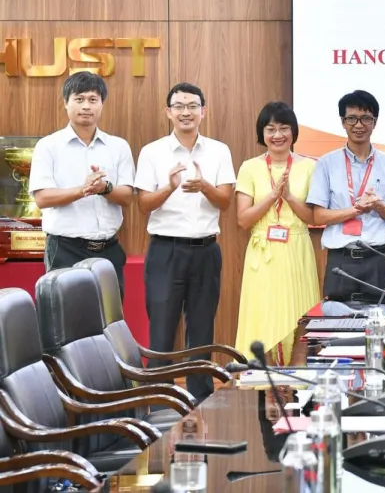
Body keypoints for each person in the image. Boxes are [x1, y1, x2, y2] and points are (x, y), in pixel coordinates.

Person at [133, 82, 235, 400]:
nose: (186, 112)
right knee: (161, 331)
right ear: (168, 112)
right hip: (165, 251)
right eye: (179, 106)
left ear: (204, 111)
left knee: (202, 331)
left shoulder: (219, 150)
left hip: (206, 250)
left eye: (193, 106)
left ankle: (201, 400)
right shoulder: (152, 152)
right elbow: (144, 205)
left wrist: (204, 185)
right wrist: (169, 187)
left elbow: (225, 202)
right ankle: (156, 400)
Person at [29, 72, 134, 294]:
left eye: (93, 100)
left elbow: (126, 196)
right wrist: (83, 190)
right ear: (66, 102)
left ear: (102, 104)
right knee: (67, 321)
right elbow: (42, 198)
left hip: (109, 249)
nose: (86, 106)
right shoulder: (48, 146)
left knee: (110, 319)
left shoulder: (118, 146)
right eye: (79, 99)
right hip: (65, 249)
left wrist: (105, 189)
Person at [234, 102, 320, 365]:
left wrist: (290, 198)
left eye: (284, 128)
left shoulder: (310, 166)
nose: (277, 135)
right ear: (262, 133)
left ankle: (299, 373)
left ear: (294, 132)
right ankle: (265, 377)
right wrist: (272, 196)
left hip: (297, 248)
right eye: (270, 129)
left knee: (301, 315)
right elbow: (243, 219)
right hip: (263, 250)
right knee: (262, 314)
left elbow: (312, 218)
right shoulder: (250, 167)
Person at [306, 90, 385, 303]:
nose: (359, 125)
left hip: (379, 257)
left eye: (366, 118)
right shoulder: (326, 164)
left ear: (374, 122)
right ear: (343, 122)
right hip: (341, 258)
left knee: (381, 323)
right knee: (334, 325)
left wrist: (378, 205)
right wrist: (356, 210)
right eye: (352, 118)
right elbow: (318, 216)